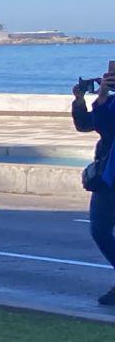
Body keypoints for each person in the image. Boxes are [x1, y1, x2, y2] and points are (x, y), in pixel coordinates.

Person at [73, 68, 115, 303]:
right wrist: (82, 100)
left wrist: (101, 99)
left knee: (100, 229)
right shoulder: (109, 102)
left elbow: (107, 125)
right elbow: (87, 125)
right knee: (100, 230)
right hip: (108, 177)